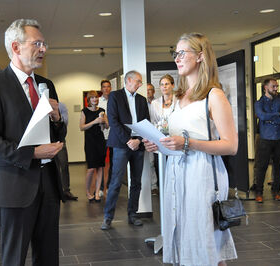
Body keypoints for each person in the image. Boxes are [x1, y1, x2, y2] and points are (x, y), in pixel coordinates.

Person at [0, 19, 65, 266]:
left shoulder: (47, 85)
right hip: (14, 187)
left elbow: (57, 135)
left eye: (44, 44)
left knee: (48, 257)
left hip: (48, 185)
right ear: (16, 47)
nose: (44, 49)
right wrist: (32, 153)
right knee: (14, 258)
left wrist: (58, 120)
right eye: (37, 43)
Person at [144, 32, 238, 265]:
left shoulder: (213, 95)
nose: (177, 58)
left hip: (203, 174)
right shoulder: (178, 98)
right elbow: (175, 137)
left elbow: (231, 145)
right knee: (184, 236)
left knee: (207, 241)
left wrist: (188, 143)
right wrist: (158, 143)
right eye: (175, 53)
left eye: (182, 52)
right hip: (177, 173)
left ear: (200, 56)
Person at [101, 70, 150, 230]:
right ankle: (108, 217)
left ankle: (133, 214)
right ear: (128, 80)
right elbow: (113, 121)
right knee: (115, 182)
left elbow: (146, 123)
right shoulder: (115, 96)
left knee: (136, 182)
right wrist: (129, 140)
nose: (140, 84)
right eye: (138, 81)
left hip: (139, 144)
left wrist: (139, 140)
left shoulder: (142, 100)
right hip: (122, 144)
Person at [254, 78, 280, 203]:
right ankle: (259, 192)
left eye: (276, 86)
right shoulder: (259, 103)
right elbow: (261, 116)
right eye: (273, 86)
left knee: (278, 166)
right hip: (266, 138)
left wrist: (272, 119)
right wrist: (277, 115)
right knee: (262, 166)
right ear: (266, 87)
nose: (276, 88)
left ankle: (276, 191)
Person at [80, 90, 108, 202]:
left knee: (100, 167)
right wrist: (95, 121)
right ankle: (88, 192)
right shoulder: (84, 111)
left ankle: (97, 192)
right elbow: (82, 127)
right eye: (92, 98)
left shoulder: (102, 110)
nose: (94, 100)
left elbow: (106, 127)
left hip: (100, 140)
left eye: (96, 97)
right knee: (91, 168)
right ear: (88, 100)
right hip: (90, 141)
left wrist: (105, 121)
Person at [149, 74, 176, 194]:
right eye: (162, 84)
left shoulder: (179, 101)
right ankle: (164, 193)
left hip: (175, 140)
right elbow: (153, 121)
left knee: (175, 169)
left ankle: (175, 191)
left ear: (172, 85)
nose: (164, 87)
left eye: (167, 84)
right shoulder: (155, 103)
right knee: (161, 168)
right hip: (160, 141)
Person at [57, 102, 78, 201]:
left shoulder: (61, 106)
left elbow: (65, 122)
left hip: (59, 140)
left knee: (64, 165)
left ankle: (66, 191)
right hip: (45, 141)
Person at [98, 79, 112, 196]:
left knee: (113, 163)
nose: (106, 88)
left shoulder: (114, 100)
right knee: (102, 163)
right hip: (102, 136)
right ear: (101, 89)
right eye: (104, 87)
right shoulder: (98, 103)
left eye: (108, 86)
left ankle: (110, 186)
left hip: (114, 136)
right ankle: (102, 188)